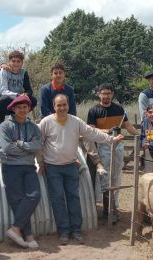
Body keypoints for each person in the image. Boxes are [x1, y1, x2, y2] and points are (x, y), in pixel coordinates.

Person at [39, 94, 124, 245]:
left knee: (74, 197)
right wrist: (41, 163)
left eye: (64, 104)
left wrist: (111, 139)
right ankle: (64, 231)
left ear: (68, 105)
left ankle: (76, 230)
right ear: (54, 107)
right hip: (53, 168)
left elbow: (93, 133)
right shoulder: (46, 122)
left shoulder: (75, 121)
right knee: (57, 199)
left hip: (71, 166)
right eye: (59, 105)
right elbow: (38, 143)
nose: (62, 107)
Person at [86, 84, 139, 222]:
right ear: (99, 94)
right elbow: (91, 130)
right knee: (105, 177)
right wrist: (108, 131)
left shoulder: (119, 109)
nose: (106, 96)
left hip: (118, 147)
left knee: (117, 176)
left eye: (108, 93)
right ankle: (106, 209)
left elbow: (127, 125)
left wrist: (139, 136)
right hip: (103, 147)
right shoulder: (93, 111)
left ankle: (114, 207)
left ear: (112, 94)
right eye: (104, 93)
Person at [0, 95, 43, 249]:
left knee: (34, 195)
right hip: (10, 167)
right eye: (19, 107)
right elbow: (6, 148)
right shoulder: (5, 126)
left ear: (29, 109)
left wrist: (20, 144)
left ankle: (15, 228)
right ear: (13, 109)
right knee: (17, 200)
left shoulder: (34, 127)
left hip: (29, 167)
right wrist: (27, 148)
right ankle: (28, 235)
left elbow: (37, 146)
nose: (22, 110)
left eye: (25, 107)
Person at [0, 50, 37, 129]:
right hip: (5, 100)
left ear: (22, 63)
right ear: (9, 62)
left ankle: (19, 117)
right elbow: (3, 91)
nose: (16, 63)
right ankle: (0, 120)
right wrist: (19, 96)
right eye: (13, 61)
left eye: (18, 61)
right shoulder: (3, 71)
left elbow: (29, 90)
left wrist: (26, 95)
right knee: (3, 99)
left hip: (18, 101)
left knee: (33, 100)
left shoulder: (24, 72)